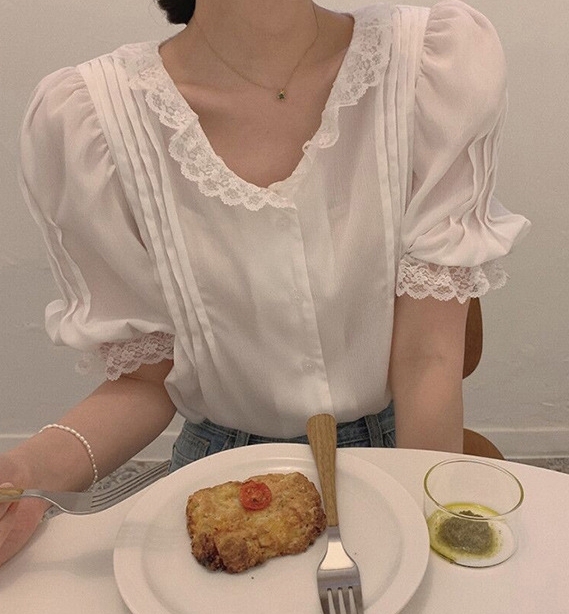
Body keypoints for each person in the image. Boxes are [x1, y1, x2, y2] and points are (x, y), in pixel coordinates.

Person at [0, 0, 529, 567]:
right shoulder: (95, 122)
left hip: (392, 453)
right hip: (219, 472)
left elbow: (429, 357)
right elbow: (146, 381)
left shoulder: (431, 69)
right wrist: (27, 473)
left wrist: (424, 532)